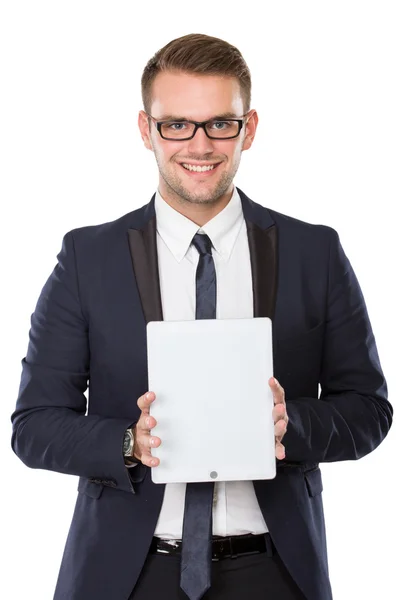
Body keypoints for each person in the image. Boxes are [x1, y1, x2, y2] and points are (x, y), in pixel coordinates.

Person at [11, 33, 392, 600]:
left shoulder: (315, 252)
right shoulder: (86, 258)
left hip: (274, 571)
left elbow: (368, 411)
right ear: (146, 129)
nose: (200, 144)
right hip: (125, 573)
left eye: (220, 123)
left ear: (250, 128)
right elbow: (34, 425)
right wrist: (128, 443)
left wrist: (293, 428)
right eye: (177, 125)